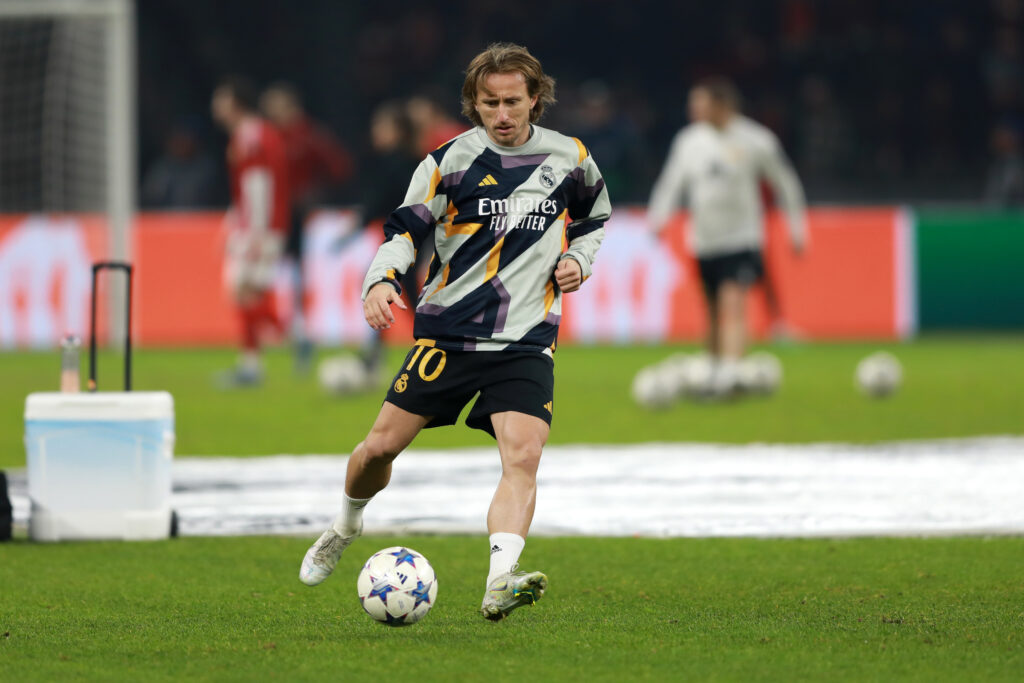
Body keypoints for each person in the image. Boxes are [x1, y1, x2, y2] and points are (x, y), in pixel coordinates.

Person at [299, 43, 611, 621]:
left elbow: (594, 215)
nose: (502, 114)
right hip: (448, 338)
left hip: (525, 342)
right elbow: (401, 232)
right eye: (489, 102)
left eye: (513, 101)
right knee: (379, 449)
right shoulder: (448, 162)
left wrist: (580, 260)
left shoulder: (570, 157)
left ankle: (501, 579)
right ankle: (345, 525)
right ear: (474, 103)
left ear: (534, 99)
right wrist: (379, 282)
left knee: (523, 456)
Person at [647, 77, 807, 396]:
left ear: (722, 105)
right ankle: (714, 369)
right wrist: (658, 217)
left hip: (742, 238)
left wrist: (797, 227)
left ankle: (733, 372)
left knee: (733, 301)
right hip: (704, 239)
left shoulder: (755, 140)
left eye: (700, 102)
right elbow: (672, 182)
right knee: (711, 309)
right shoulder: (689, 141)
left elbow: (785, 182)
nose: (693, 109)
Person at [260, 82, 354, 372]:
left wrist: (319, 195)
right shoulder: (270, 138)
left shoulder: (309, 137)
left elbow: (339, 167)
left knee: (302, 275)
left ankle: (305, 333)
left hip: (306, 219)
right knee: (281, 275)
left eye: (276, 108)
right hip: (278, 217)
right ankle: (290, 330)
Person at [211, 77, 291, 386]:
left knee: (242, 288)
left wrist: (253, 232)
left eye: (220, 100)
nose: (215, 107)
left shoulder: (251, 137)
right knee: (249, 291)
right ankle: (266, 353)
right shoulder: (256, 134)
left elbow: (259, 186)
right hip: (263, 224)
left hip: (262, 227)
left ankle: (257, 361)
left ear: (234, 103)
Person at [356, 101, 423, 376]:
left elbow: (385, 199)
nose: (376, 132)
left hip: (408, 239)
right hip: (410, 237)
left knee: (385, 286)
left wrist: (360, 218)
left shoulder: (398, 164)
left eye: (381, 126)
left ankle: (434, 341)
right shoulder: (409, 160)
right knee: (396, 289)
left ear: (397, 131)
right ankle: (430, 341)